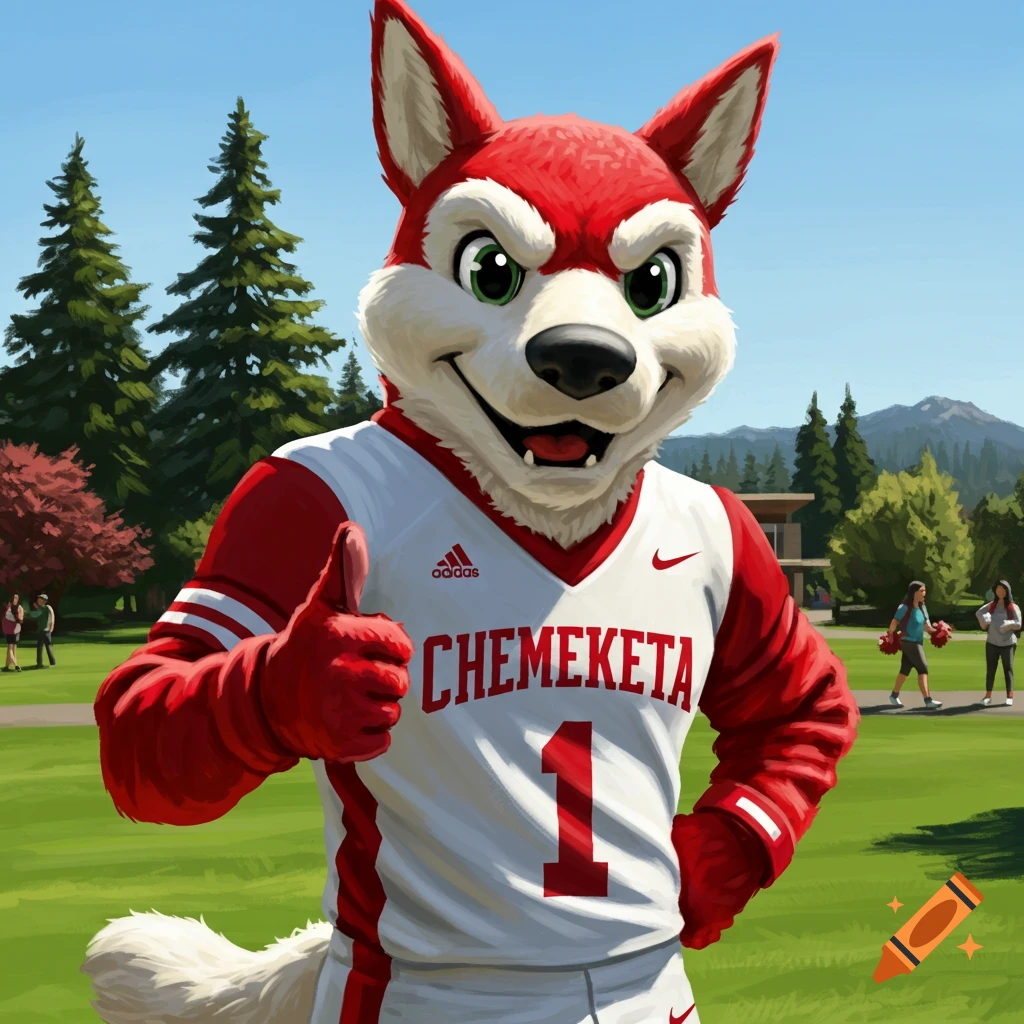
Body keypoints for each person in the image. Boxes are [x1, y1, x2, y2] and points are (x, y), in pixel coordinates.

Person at [886, 581, 943, 709]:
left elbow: (927, 628)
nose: (924, 593)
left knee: (904, 670)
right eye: (921, 591)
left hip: (918, 642)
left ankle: (894, 696)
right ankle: (928, 700)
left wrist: (941, 631)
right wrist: (890, 636)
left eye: (924, 591)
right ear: (914, 592)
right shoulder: (904, 607)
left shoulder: (923, 608)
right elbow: (894, 622)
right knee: (923, 668)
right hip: (908, 642)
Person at [976, 579, 1019, 706]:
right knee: (991, 670)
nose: (1000, 591)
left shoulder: (1012, 607)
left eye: (1003, 589)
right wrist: (984, 622)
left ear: (1007, 591)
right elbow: (978, 613)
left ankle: (1009, 696)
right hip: (992, 643)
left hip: (1008, 644)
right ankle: (988, 696)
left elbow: (1019, 623)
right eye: (998, 589)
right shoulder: (991, 605)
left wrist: (1009, 625)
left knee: (1008, 669)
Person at [3, 594, 25, 673]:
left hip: (11, 629)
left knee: (10, 648)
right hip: (16, 628)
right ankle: (7, 665)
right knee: (13, 647)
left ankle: (16, 665)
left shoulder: (11, 607)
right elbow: (21, 619)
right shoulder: (19, 607)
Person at [35, 593, 57, 669]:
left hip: (46, 630)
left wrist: (52, 626)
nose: (38, 600)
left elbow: (52, 617)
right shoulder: (39, 608)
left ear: (44, 600)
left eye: (40, 599)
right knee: (39, 647)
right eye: (38, 599)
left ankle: (52, 662)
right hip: (40, 630)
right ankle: (39, 663)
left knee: (48, 646)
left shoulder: (47, 607)